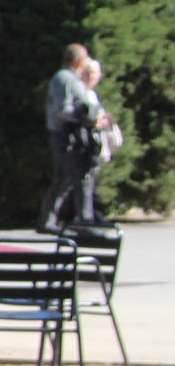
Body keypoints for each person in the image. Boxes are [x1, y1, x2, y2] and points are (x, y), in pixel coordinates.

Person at [42, 43, 104, 229]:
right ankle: (85, 221)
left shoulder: (72, 78)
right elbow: (62, 109)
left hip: (73, 134)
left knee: (63, 180)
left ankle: (47, 221)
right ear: (78, 60)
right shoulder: (65, 79)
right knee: (82, 179)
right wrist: (85, 115)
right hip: (67, 135)